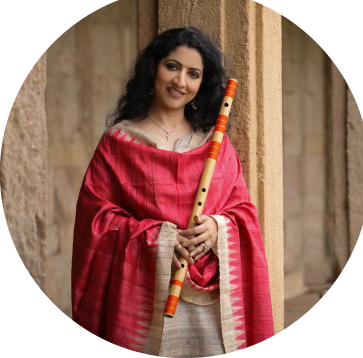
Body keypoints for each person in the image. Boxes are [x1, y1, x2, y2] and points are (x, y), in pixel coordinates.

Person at [71, 27, 274, 356]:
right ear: (152, 67)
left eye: (193, 74)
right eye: (173, 66)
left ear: (201, 83)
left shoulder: (216, 144)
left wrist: (217, 228)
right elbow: (97, 221)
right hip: (142, 302)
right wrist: (159, 238)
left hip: (210, 307)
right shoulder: (118, 142)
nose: (181, 82)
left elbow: (242, 212)